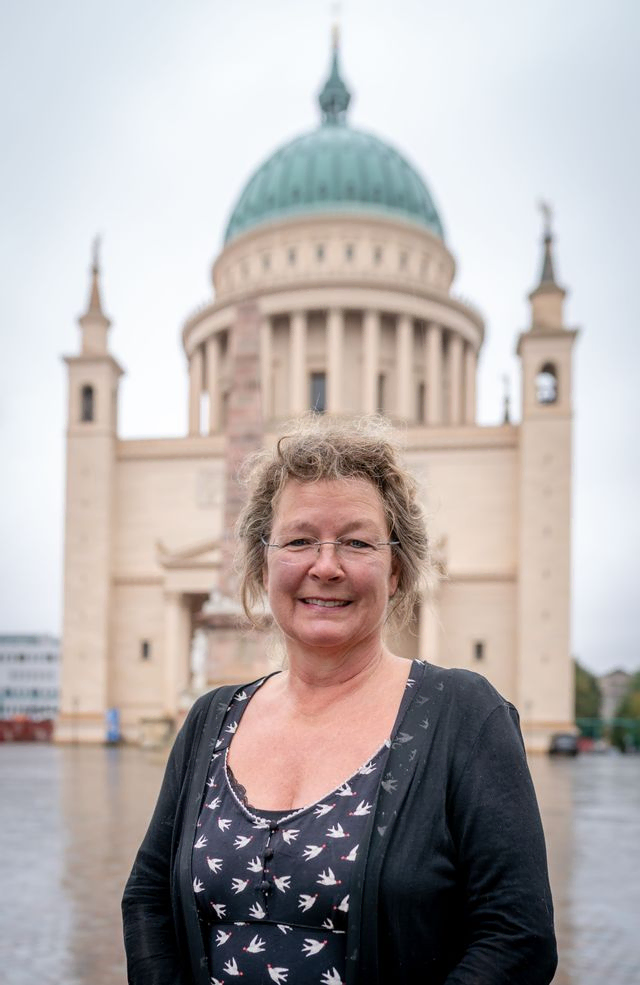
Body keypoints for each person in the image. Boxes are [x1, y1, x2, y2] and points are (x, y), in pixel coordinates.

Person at [122, 418, 557, 985]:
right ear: (262, 563)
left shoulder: (466, 716)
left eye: (356, 541)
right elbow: (148, 898)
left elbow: (517, 938)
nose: (325, 566)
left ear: (397, 569)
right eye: (299, 540)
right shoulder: (212, 720)